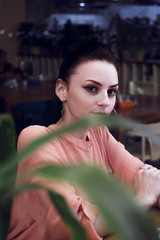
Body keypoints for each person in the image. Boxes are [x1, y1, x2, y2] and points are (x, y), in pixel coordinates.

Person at [8, 41, 160, 240]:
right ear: (62, 90)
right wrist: (142, 199)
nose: (106, 101)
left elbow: (143, 177)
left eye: (111, 91)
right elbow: (75, 226)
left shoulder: (100, 133)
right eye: (92, 88)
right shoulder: (36, 139)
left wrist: (151, 190)